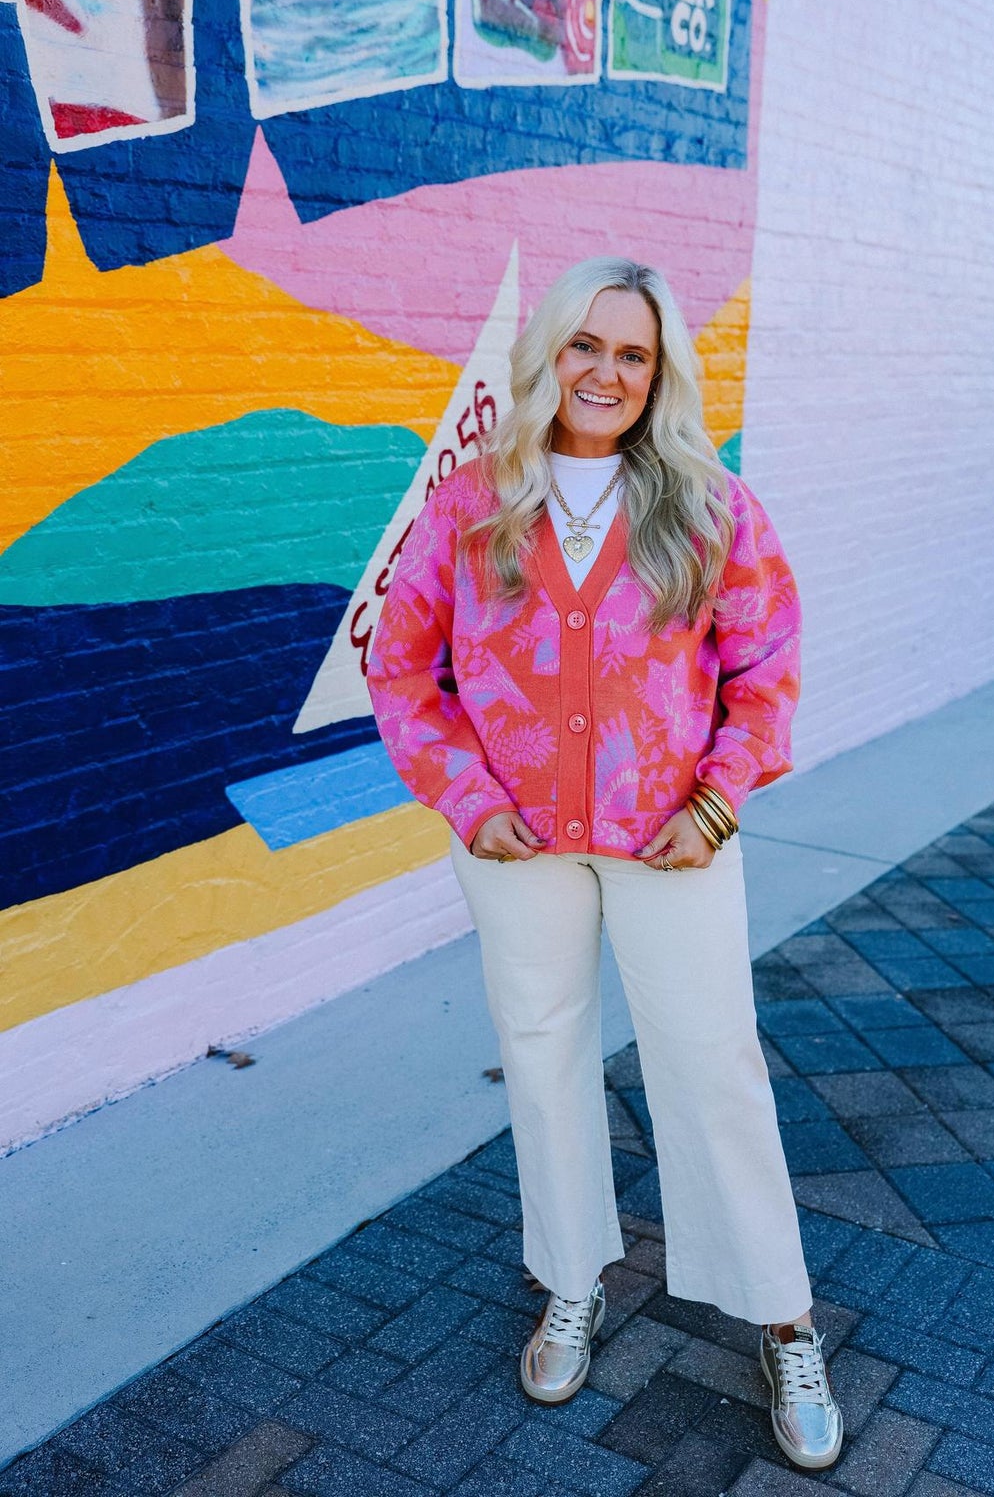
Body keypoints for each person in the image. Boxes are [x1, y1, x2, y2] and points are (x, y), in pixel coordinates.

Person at [366, 258, 843, 1471]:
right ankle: (571, 1279)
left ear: (659, 372)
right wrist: (467, 800)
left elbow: (768, 669)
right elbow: (402, 665)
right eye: (585, 345)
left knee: (713, 1063)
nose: (605, 373)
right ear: (547, 354)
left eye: (632, 354)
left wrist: (719, 803)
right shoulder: (473, 503)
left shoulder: (711, 505)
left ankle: (782, 1317)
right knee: (543, 1058)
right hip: (515, 842)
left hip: (673, 838)